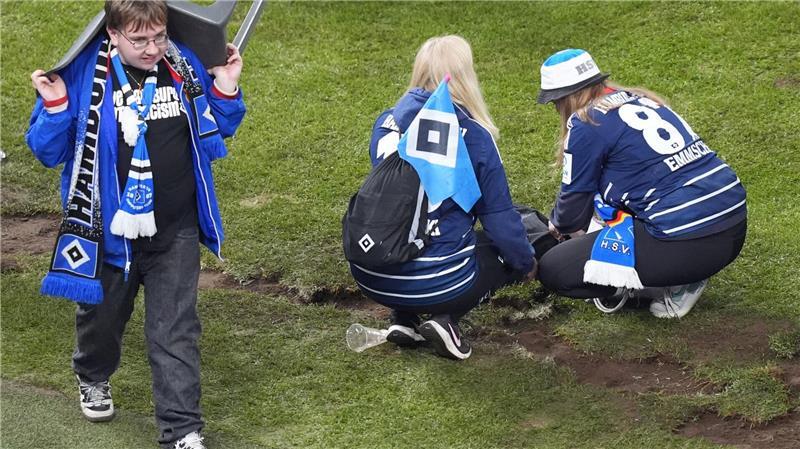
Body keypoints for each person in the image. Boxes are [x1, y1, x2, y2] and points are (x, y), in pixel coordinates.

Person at [26, 1, 245, 448]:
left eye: (159, 36)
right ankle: (92, 374)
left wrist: (225, 89)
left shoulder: (183, 63)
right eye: (139, 39)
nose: (152, 49)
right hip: (108, 235)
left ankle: (182, 432)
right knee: (103, 321)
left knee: (175, 330)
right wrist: (54, 107)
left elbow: (219, 129)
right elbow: (47, 152)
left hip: (175, 228)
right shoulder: (82, 74)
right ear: (112, 33)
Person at [349, 35, 536, 360]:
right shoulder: (474, 136)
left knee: (418, 225)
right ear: (465, 78)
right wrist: (527, 264)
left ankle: (403, 318)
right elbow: (501, 223)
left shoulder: (385, 123)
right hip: (439, 283)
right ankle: (446, 320)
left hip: (370, 274)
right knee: (502, 254)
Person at [534, 49, 747, 318]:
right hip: (734, 225)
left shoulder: (586, 121)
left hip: (690, 242)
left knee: (555, 268)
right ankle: (681, 272)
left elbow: (572, 213)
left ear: (563, 98)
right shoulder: (642, 98)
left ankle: (672, 285)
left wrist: (558, 224)